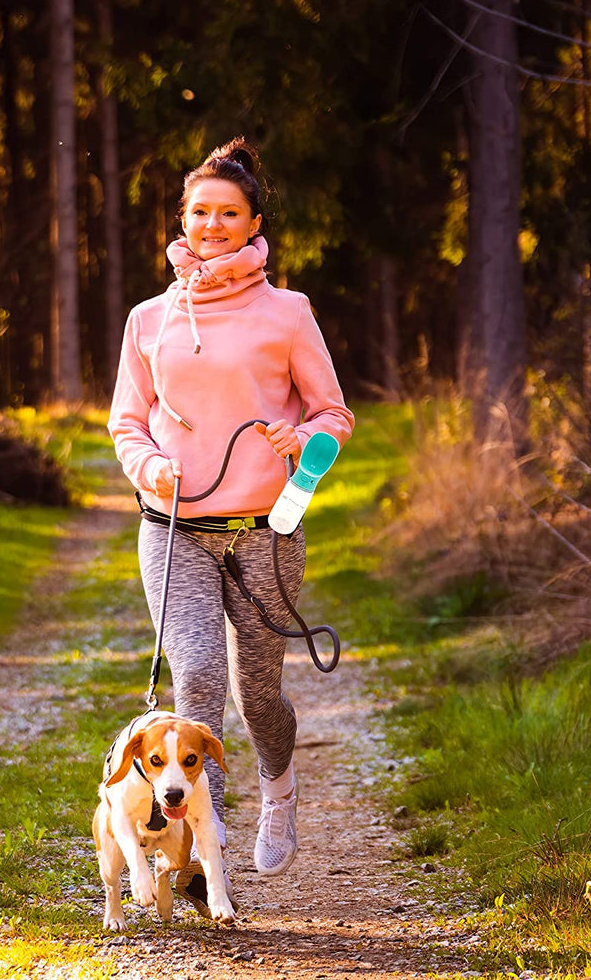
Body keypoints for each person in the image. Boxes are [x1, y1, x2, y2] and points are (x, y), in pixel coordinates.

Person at [107, 137, 354, 912]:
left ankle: (278, 787)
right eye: (200, 212)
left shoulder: (287, 312)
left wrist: (302, 445)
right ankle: (190, 850)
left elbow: (334, 415)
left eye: (229, 214)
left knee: (258, 693)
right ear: (183, 219)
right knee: (198, 681)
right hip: (174, 527)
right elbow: (126, 423)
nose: (213, 225)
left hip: (265, 530)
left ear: (253, 225)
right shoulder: (149, 319)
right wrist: (149, 466)